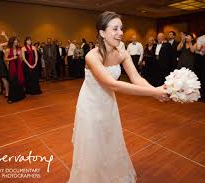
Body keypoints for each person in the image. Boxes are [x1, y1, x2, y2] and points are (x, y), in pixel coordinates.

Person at [68, 11, 168, 183]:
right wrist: (154, 93)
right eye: (115, 29)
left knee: (110, 142)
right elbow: (113, 84)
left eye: (121, 28)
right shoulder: (92, 56)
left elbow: (136, 78)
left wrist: (155, 91)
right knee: (93, 146)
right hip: (90, 106)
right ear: (102, 32)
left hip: (108, 103)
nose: (121, 33)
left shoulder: (122, 53)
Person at [4, 36, 25, 103]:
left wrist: (20, 56)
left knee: (19, 81)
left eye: (17, 41)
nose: (16, 42)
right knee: (13, 82)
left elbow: (21, 59)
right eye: (15, 40)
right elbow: (5, 59)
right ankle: (12, 98)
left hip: (19, 66)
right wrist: (13, 58)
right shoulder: (8, 50)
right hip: (12, 67)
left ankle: (20, 96)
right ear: (12, 42)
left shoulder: (19, 49)